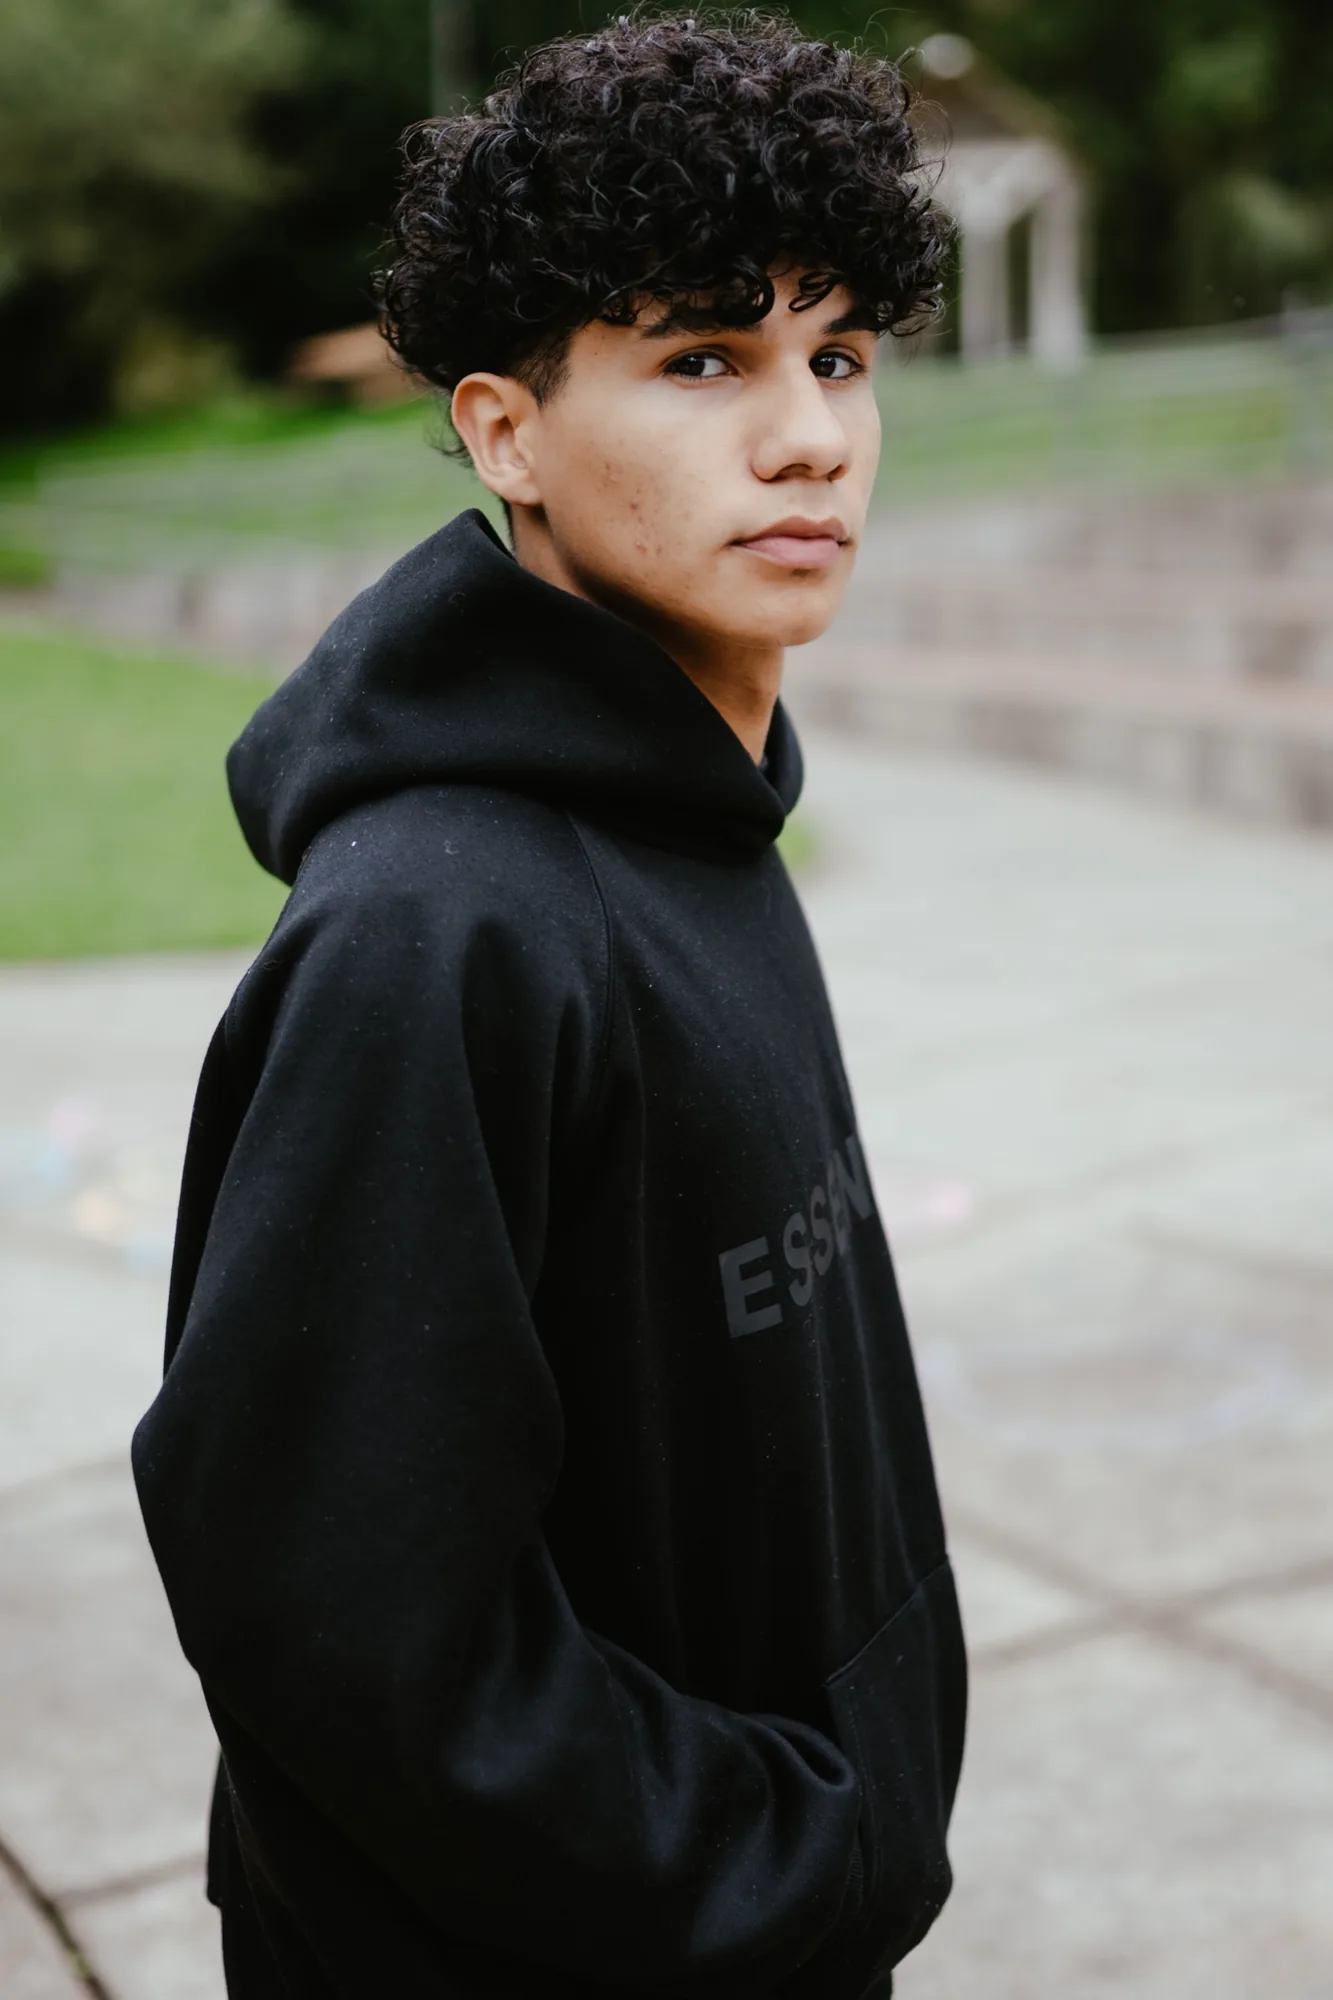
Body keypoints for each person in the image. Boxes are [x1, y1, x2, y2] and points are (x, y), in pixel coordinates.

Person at [132, 12, 966, 1997]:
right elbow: (333, 1604)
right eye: (704, 359)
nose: (812, 436)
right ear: (506, 430)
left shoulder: (707, 819)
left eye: (837, 353)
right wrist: (780, 1852)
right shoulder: (433, 938)